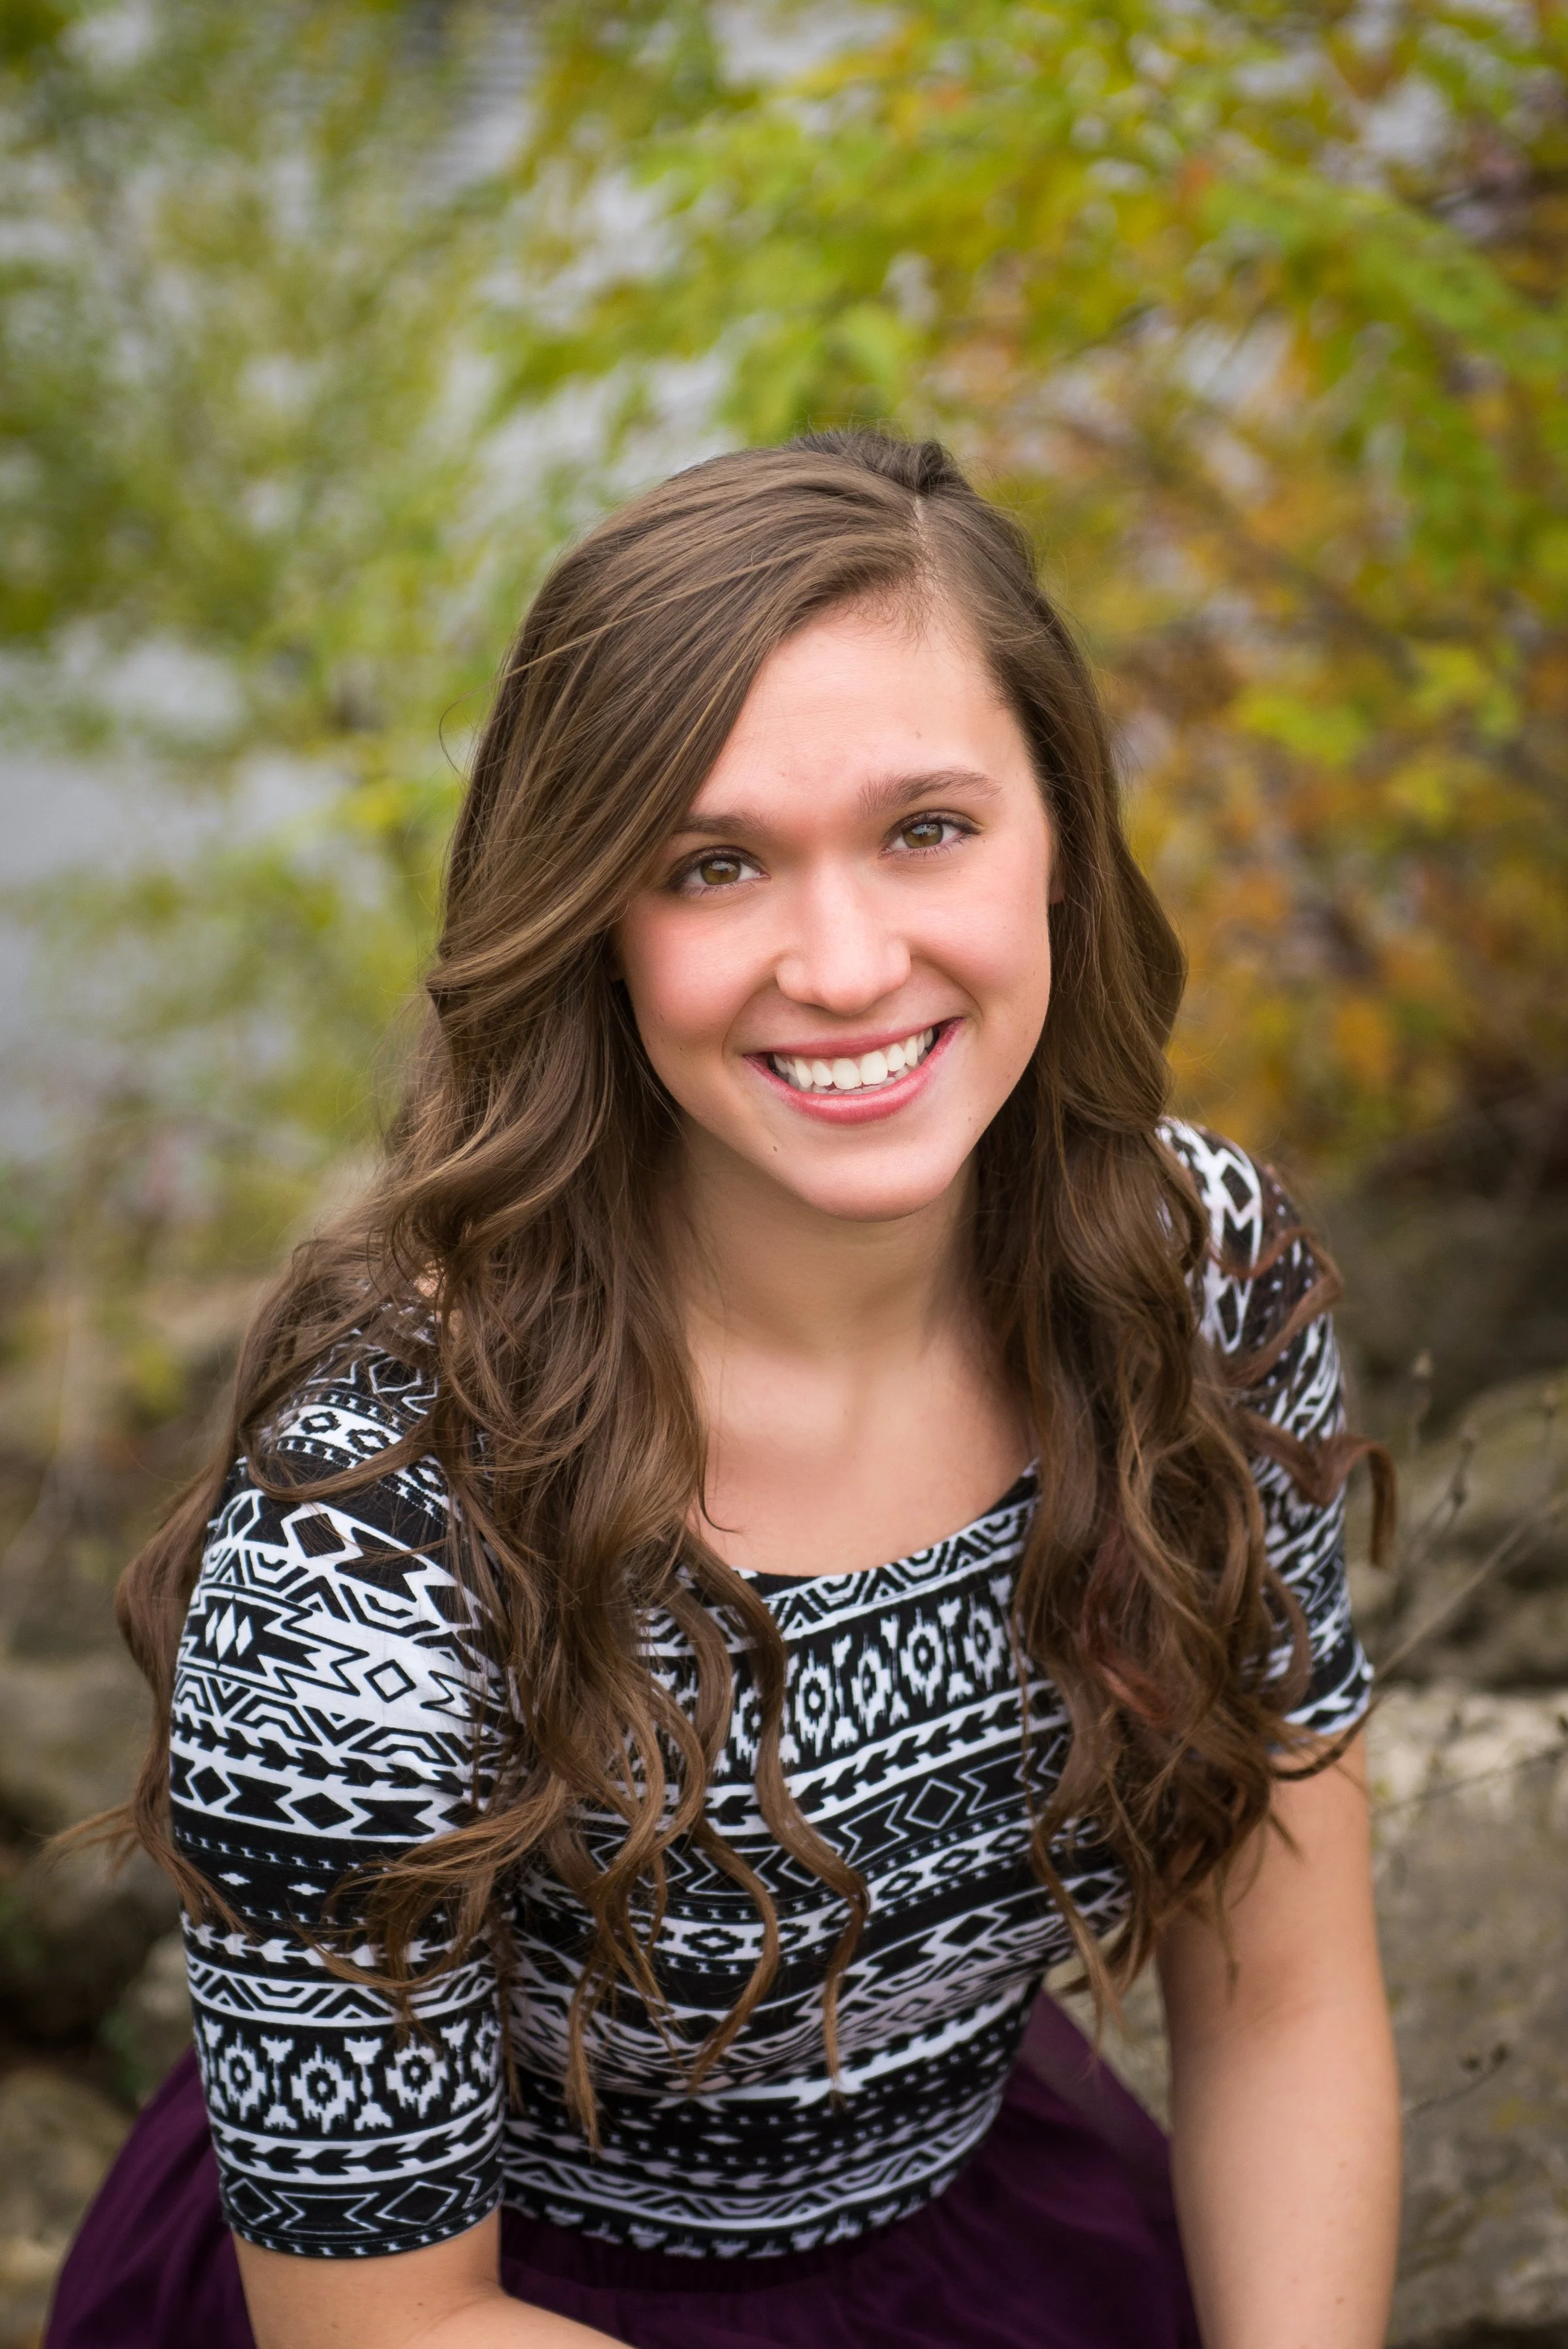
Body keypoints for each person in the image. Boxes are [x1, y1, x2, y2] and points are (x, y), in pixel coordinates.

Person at [49, 431, 1401, 2349]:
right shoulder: (381, 1522)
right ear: (594, 924)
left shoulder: (1200, 1282)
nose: (845, 967)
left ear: (1061, 839)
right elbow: (390, 2328)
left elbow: (1286, 1998)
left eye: (927, 828)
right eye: (714, 864)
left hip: (981, 2237)